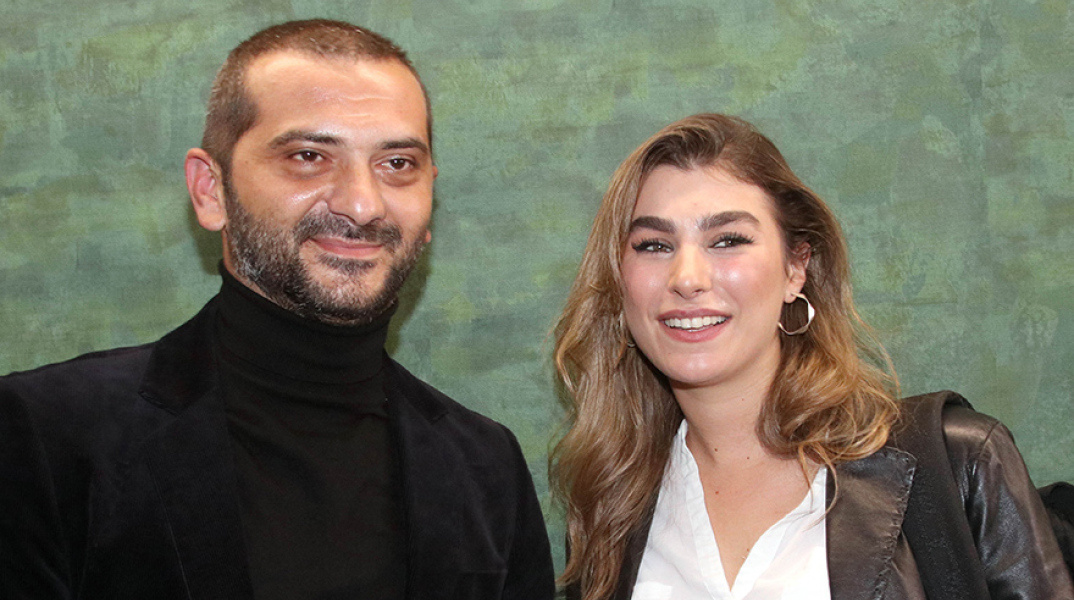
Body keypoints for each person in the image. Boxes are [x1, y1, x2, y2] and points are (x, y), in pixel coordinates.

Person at [0, 19, 553, 600]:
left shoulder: (486, 466)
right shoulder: (43, 437)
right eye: (309, 156)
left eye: (396, 164)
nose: (362, 204)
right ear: (211, 191)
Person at [551, 113, 1073, 599]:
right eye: (653, 245)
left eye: (727, 240)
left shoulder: (961, 462)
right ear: (619, 280)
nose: (687, 278)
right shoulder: (610, 506)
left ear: (796, 269)